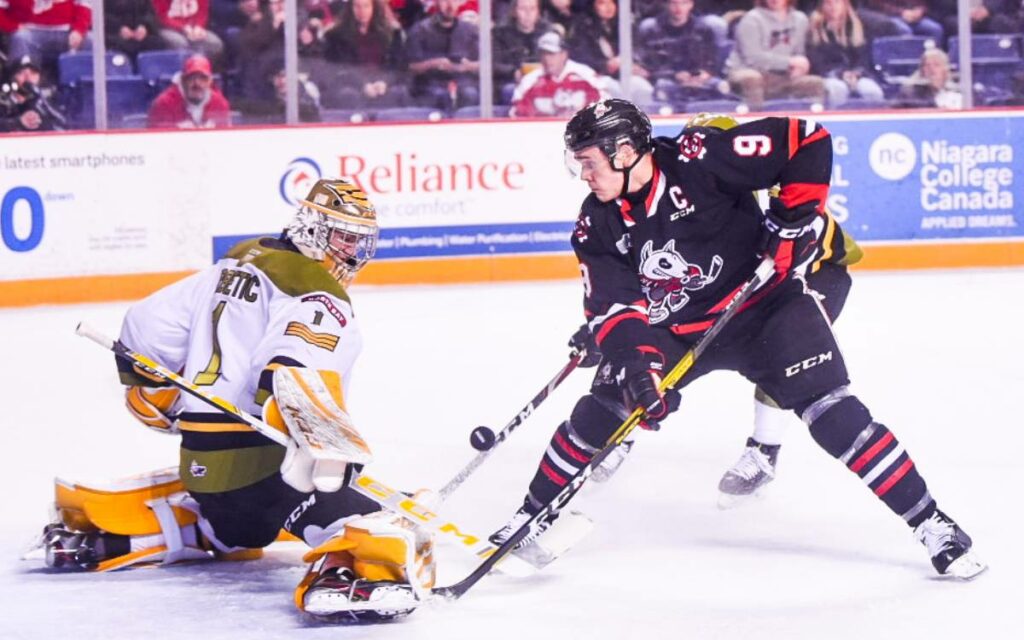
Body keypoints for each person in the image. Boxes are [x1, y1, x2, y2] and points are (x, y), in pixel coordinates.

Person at [489, 98, 986, 582]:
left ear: (623, 152)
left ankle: (931, 523)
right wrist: (640, 367)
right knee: (600, 412)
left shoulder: (698, 158)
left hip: (766, 309)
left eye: (589, 162)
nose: (583, 175)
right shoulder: (595, 222)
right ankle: (529, 517)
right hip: (677, 328)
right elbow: (614, 306)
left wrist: (792, 224)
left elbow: (805, 140)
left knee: (836, 416)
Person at [35, 178, 436, 622]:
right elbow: (296, 367)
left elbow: (145, 325)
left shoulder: (234, 262)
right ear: (312, 227)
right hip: (265, 472)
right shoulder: (317, 291)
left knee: (238, 525)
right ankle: (353, 574)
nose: (353, 254)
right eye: (344, 238)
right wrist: (322, 448)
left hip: (204, 471)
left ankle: (127, 537)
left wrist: (154, 392)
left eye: (360, 242)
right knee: (382, 521)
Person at [576, 109, 866, 507]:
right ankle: (623, 432)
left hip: (816, 279)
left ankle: (764, 450)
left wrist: (796, 236)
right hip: (737, 292)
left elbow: (848, 252)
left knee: (785, 362)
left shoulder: (783, 203)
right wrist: (609, 333)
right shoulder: (701, 199)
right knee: (654, 359)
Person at [724, 0, 826, 110]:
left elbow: (799, 53)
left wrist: (799, 68)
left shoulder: (800, 19)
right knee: (752, 78)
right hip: (746, 71)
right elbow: (753, 58)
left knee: (815, 83)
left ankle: (805, 124)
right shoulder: (751, 19)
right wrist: (789, 62)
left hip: (782, 76)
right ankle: (756, 122)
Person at [635, 0, 730, 110]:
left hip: (699, 80)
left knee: (720, 86)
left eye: (684, 3)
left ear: (691, 4)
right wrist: (675, 75)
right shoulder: (653, 30)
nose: (678, 8)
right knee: (663, 86)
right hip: (668, 81)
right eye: (674, 3)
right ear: (667, 5)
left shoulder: (704, 29)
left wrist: (705, 73)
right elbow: (650, 65)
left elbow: (712, 59)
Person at [806, 0, 884, 107]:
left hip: (857, 76)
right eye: (829, 3)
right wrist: (840, 73)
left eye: (837, 3)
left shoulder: (857, 26)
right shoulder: (815, 29)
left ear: (845, 5)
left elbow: (865, 58)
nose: (833, 7)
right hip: (829, 76)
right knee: (838, 89)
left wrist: (857, 73)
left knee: (871, 91)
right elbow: (817, 62)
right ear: (822, 6)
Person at [405, 0, 480, 110]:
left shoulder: (469, 30)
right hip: (430, 84)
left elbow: (485, 64)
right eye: (445, 1)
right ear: (436, 2)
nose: (450, 6)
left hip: (463, 83)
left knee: (470, 94)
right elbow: (410, 67)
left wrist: (467, 66)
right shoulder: (420, 30)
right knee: (440, 96)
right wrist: (434, 64)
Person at [509, 30, 603, 118]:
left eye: (551, 54)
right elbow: (515, 113)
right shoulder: (530, 80)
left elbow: (605, 105)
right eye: (543, 54)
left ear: (564, 54)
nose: (547, 59)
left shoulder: (585, 74)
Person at [0, 0, 91, 78]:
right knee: (20, 38)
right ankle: (23, 92)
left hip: (67, 32)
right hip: (30, 32)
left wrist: (79, 30)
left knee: (91, 42)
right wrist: (13, 26)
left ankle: (88, 92)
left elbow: (85, 4)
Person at [146, 54, 232, 128]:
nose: (197, 83)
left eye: (203, 78)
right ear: (183, 80)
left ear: (210, 81)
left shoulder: (220, 104)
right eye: (191, 78)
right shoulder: (164, 104)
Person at [493, 0, 554, 104]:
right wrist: (513, 72)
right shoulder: (500, 33)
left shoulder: (548, 32)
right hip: (511, 81)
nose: (528, 13)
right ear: (514, 11)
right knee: (510, 90)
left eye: (532, 9)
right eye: (523, 9)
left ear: (538, 12)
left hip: (543, 79)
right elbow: (493, 63)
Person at [0, 53, 67, 131]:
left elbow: (63, 124)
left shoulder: (47, 101)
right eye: (21, 73)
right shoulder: (3, 101)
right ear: (12, 78)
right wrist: (18, 122)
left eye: (33, 73)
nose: (28, 78)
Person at [151, 0, 225, 61]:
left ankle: (201, 70)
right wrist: (183, 28)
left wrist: (198, 27)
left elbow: (202, 11)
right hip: (168, 28)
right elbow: (162, 17)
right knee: (179, 43)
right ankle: (185, 73)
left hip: (193, 28)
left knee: (215, 43)